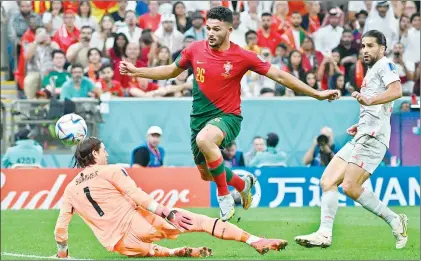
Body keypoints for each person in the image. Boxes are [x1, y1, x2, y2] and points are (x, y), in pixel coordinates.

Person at [119, 6, 340, 221]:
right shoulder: (195, 49)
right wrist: (137, 71)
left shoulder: (242, 56)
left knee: (205, 139)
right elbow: (170, 70)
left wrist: (316, 93)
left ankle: (225, 196)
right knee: (206, 173)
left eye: (217, 29)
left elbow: (280, 76)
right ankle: (243, 184)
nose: (211, 33)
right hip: (199, 118)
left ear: (229, 30)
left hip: (228, 117)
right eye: (209, 28)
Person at [52, 137, 288, 258]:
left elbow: (60, 230)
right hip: (140, 223)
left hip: (119, 245)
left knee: (152, 251)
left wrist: (63, 255)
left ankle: (177, 252)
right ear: (94, 153)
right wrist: (167, 211)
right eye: (103, 150)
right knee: (201, 222)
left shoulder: (71, 188)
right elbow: (137, 195)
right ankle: (254, 240)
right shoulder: (111, 170)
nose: (107, 153)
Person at [295, 30, 408, 250]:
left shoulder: (385, 65)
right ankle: (324, 234)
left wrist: (369, 99)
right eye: (363, 46)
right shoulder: (372, 71)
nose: (365, 50)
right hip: (363, 133)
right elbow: (379, 106)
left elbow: (397, 91)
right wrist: (361, 123)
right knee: (327, 181)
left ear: (382, 49)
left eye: (371, 46)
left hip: (374, 138)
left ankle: (395, 220)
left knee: (350, 186)